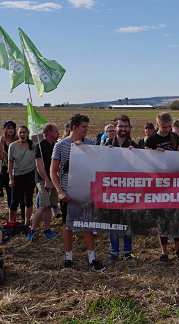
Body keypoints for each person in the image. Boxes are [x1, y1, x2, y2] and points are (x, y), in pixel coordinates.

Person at [50, 114, 105, 272]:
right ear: (74, 127)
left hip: (85, 191)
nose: (87, 130)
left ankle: (92, 259)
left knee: (87, 224)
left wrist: (86, 151)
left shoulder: (90, 143)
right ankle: (68, 259)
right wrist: (60, 191)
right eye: (84, 127)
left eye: (87, 127)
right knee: (68, 226)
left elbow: (98, 162)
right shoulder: (60, 145)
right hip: (67, 192)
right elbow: (53, 170)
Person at [145, 112, 179, 262]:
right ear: (157, 125)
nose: (167, 129)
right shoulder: (152, 139)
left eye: (169, 126)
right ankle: (164, 251)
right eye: (164, 127)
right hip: (159, 185)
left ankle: (178, 248)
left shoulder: (175, 137)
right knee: (162, 219)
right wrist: (154, 154)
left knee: (176, 217)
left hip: (175, 183)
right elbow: (146, 159)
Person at [106, 115, 137, 263]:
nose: (123, 129)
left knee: (128, 221)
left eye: (125, 126)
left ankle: (127, 251)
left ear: (129, 128)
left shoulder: (135, 146)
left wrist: (135, 156)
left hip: (129, 191)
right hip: (111, 191)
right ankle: (114, 252)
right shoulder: (106, 145)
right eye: (120, 126)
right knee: (113, 222)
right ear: (115, 128)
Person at [28, 123, 60, 240]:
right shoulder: (40, 146)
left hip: (53, 180)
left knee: (50, 206)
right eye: (56, 131)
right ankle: (32, 230)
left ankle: (47, 229)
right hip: (43, 180)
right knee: (42, 206)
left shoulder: (55, 146)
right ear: (50, 133)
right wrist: (47, 180)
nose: (58, 133)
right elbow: (39, 165)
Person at [8, 126, 36, 225]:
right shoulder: (13, 146)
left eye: (24, 132)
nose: (22, 134)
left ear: (28, 133)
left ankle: (27, 222)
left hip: (30, 176)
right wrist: (11, 178)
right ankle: (11, 222)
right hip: (18, 176)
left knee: (28, 200)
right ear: (18, 134)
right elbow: (10, 163)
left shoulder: (33, 145)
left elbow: (37, 161)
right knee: (14, 201)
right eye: (20, 133)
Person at [0, 121, 17, 202]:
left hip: (16, 168)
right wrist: (1, 145)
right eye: (8, 128)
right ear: (5, 129)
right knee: (9, 193)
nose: (11, 130)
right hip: (5, 168)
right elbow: (1, 157)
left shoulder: (17, 140)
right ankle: (11, 210)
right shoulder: (1, 141)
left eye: (12, 128)